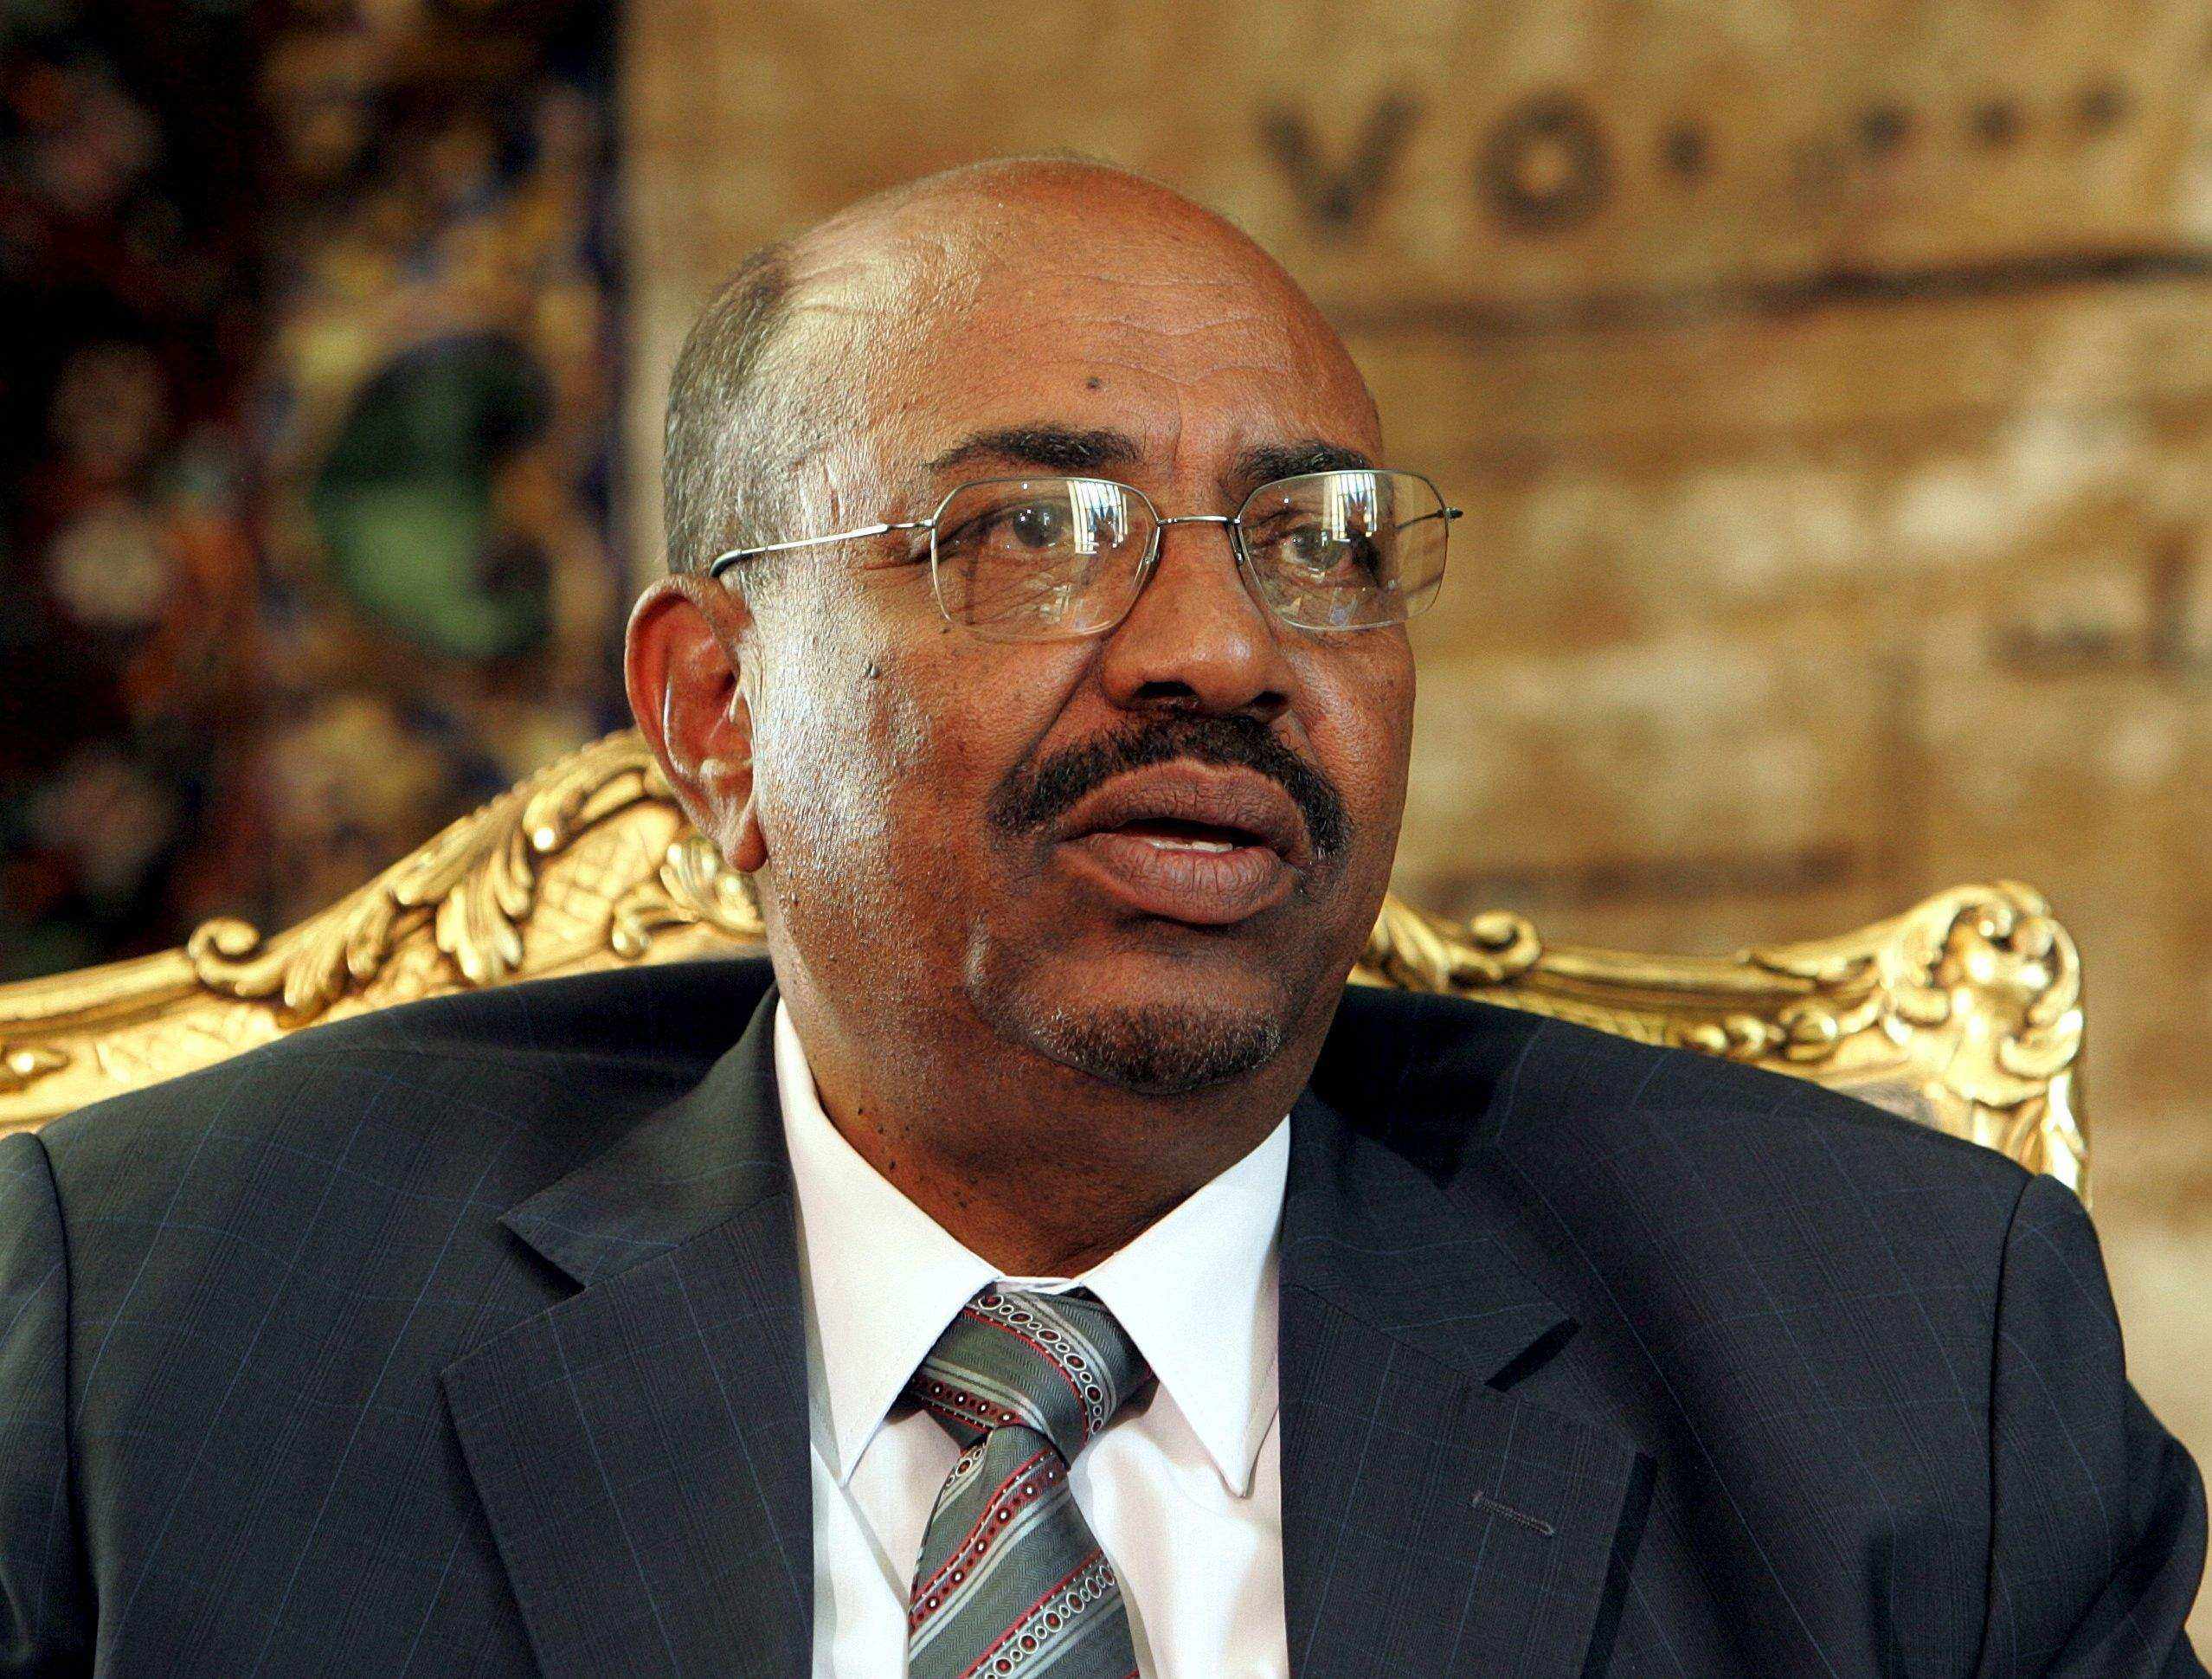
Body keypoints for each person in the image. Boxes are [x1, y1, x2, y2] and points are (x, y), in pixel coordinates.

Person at [0, 157, 2202, 1679]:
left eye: (1321, 540)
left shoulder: (1903, 1363)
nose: (1225, 649)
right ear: (718, 714)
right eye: (1037, 531)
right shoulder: (159, 1344)